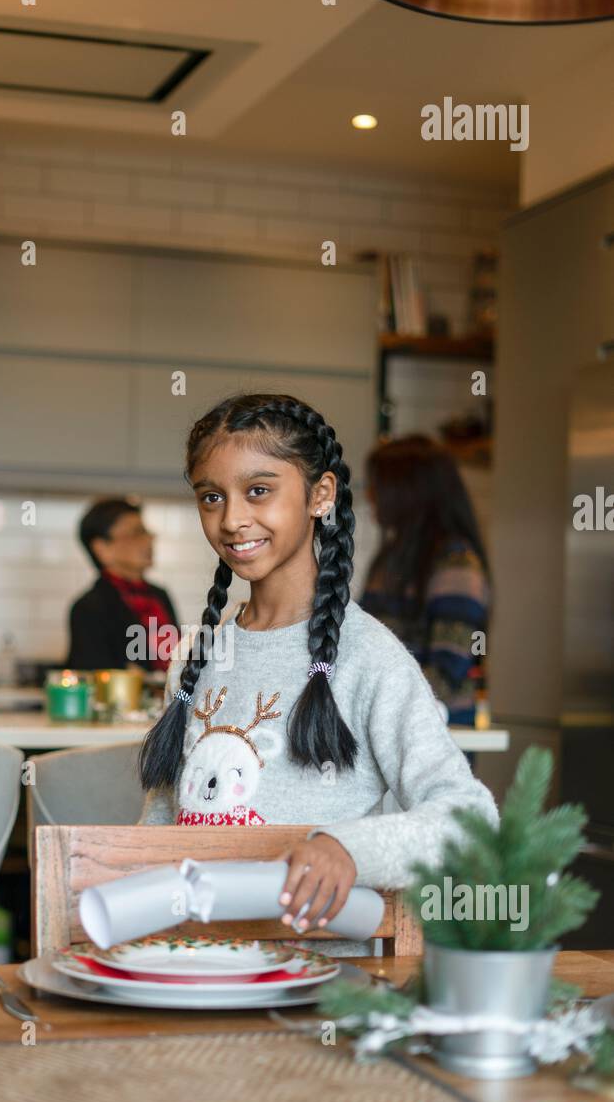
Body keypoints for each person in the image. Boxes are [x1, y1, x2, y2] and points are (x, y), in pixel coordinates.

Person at [136, 393, 498, 935]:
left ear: (320, 495)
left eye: (259, 490)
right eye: (211, 497)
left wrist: (347, 849)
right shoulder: (195, 653)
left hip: (322, 990)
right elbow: (163, 822)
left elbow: (470, 820)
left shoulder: (369, 657)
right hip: (196, 965)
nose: (233, 519)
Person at [361, 434, 491, 726]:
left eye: (379, 485)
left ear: (408, 491)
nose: (370, 494)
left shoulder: (455, 565)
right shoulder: (392, 558)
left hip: (431, 734)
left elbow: (445, 674)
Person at [67, 497, 179, 672]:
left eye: (146, 532)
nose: (149, 539)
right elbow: (93, 677)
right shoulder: (88, 608)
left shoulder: (160, 596)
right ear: (102, 548)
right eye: (136, 533)